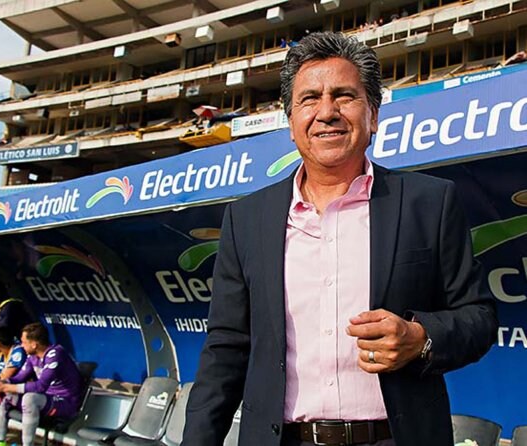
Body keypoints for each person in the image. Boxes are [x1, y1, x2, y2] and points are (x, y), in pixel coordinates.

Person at [181, 31, 498, 446]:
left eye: (344, 96)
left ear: (374, 115)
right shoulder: (246, 219)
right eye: (309, 98)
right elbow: (226, 347)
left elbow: (478, 317)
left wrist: (420, 337)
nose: (326, 111)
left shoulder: (430, 202)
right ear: (291, 122)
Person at [0, 322, 83, 446]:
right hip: (46, 400)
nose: (21, 345)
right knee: (3, 395)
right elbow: (19, 377)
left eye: (24, 342)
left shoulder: (56, 354)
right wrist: (0, 383)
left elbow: (40, 386)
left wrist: (4, 386)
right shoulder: (33, 356)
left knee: (29, 398)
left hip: (64, 403)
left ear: (34, 344)